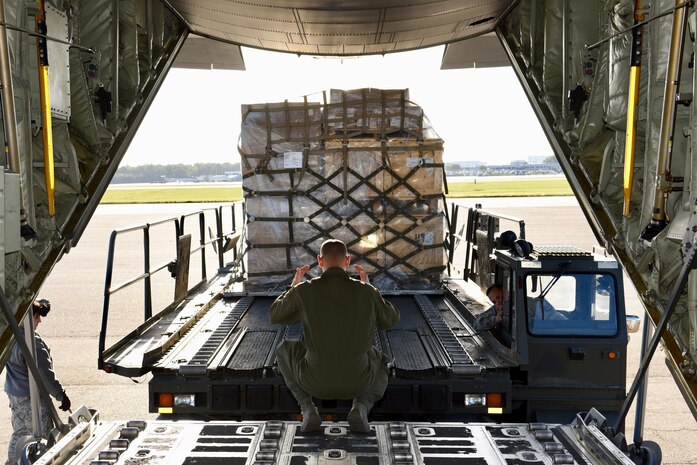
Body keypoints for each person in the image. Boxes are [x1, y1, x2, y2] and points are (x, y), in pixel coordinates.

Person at [269, 239, 399, 433]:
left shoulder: (304, 291)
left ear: (320, 261)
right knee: (380, 359)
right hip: (359, 381)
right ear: (347, 261)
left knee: (284, 349)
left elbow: (276, 315)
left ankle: (307, 408)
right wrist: (371, 291)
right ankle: (361, 407)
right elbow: (390, 320)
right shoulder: (366, 292)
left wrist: (293, 288)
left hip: (313, 381)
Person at [4, 299, 71, 465]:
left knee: (19, 434)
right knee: (42, 435)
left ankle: (12, 462)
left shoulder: (11, 337)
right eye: (36, 317)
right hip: (31, 398)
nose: (39, 321)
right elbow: (44, 374)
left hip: (15, 396)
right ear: (27, 319)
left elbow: (22, 299)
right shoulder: (32, 343)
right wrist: (60, 395)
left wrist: (38, 305)